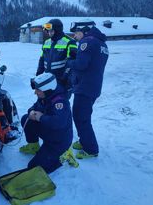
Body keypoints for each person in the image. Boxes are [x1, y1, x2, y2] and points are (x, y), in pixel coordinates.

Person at [19, 73, 78, 174]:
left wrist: (40, 117)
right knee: (26, 118)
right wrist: (32, 112)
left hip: (59, 141)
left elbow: (59, 123)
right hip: (49, 131)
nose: (35, 93)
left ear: (47, 89)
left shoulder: (60, 102)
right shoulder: (45, 95)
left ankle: (64, 155)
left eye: (38, 90)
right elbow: (35, 106)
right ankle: (33, 146)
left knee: (34, 168)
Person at [67, 19, 109, 159]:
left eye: (76, 33)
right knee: (82, 116)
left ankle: (91, 149)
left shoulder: (87, 42)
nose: (74, 37)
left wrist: (69, 62)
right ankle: (84, 140)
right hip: (94, 86)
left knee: (81, 117)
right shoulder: (102, 43)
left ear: (83, 31)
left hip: (84, 87)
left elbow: (81, 65)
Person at [36, 19, 77, 93]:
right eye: (48, 31)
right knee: (46, 101)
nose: (49, 33)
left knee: (60, 102)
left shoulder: (69, 42)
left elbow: (71, 63)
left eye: (51, 31)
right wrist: (39, 74)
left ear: (57, 30)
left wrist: (65, 79)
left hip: (62, 79)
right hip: (48, 79)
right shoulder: (47, 42)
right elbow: (42, 59)